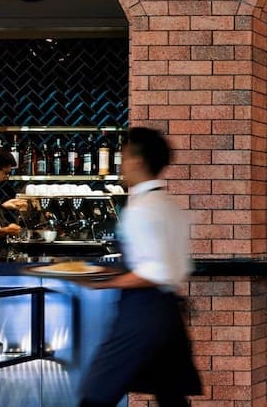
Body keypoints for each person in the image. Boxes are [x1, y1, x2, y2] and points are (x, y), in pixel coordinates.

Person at [78, 127, 202, 407]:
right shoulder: (170, 206)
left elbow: (154, 272)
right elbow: (168, 265)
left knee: (97, 394)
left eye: (123, 157)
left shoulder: (141, 208)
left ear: (137, 161)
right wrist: (110, 274)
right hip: (168, 313)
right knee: (171, 398)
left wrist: (103, 281)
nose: (121, 165)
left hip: (142, 314)